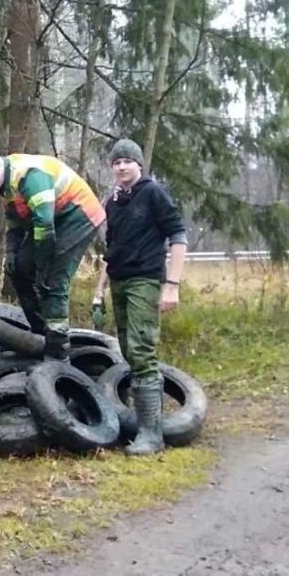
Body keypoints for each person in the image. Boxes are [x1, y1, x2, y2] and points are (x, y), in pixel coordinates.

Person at [91, 139, 187, 456]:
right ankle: (142, 425)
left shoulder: (153, 193)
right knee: (130, 350)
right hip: (118, 280)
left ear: (139, 165)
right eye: (116, 162)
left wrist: (171, 284)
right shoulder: (113, 202)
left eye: (127, 161)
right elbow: (111, 252)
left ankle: (152, 435)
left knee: (142, 347)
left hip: (145, 280)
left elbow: (177, 236)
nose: (121, 167)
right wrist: (99, 290)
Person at [0, 148, 105, 362]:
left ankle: (58, 352)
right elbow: (14, 225)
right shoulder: (6, 187)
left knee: (53, 281)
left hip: (78, 214)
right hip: (53, 218)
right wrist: (12, 253)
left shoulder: (28, 175)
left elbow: (44, 227)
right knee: (17, 270)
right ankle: (41, 331)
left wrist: (42, 267)